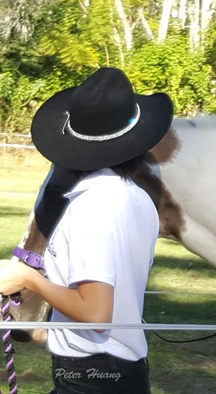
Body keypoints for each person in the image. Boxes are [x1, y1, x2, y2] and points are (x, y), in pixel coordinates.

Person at [0, 67, 173, 393]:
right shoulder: (135, 198)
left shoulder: (92, 206)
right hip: (119, 374)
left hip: (91, 377)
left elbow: (95, 312)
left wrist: (28, 278)